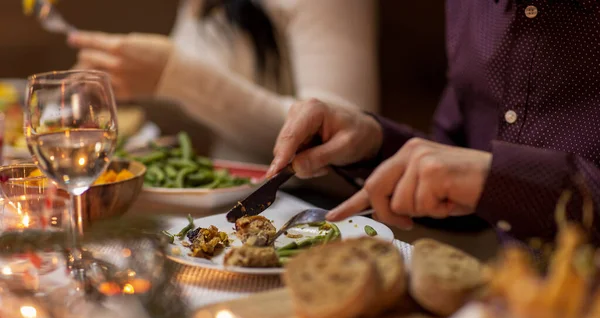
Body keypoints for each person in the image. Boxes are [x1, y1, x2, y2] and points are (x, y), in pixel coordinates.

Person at [267, 1, 600, 246]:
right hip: (516, 306)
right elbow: (463, 175)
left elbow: (487, 176)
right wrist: (373, 145)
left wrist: (502, 180)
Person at [67, 0, 378, 164]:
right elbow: (205, 110)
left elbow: (339, 137)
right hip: (220, 200)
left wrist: (173, 75)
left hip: (303, 211)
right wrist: (128, 85)